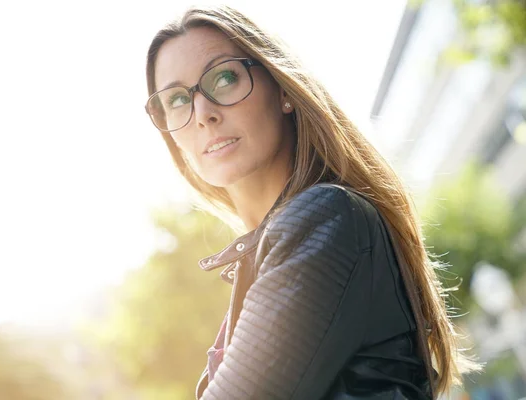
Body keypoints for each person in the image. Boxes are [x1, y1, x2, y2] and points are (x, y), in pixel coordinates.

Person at [143, 5, 481, 399]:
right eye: (178, 100)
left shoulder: (323, 218)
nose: (203, 113)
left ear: (283, 90)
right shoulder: (284, 242)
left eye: (224, 77)